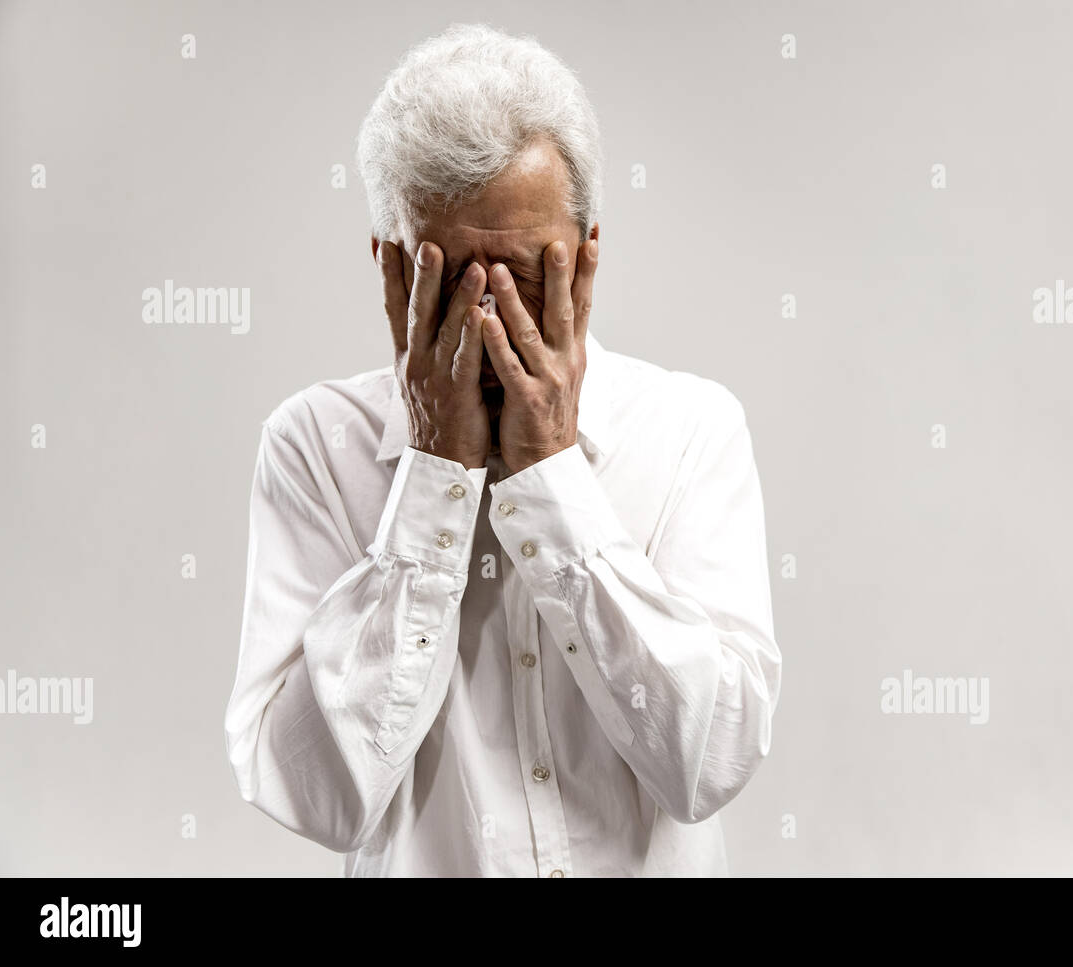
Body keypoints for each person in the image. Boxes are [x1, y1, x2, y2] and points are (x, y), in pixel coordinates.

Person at [224, 22, 782, 876]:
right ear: (390, 272)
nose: (487, 325)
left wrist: (553, 477)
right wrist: (433, 475)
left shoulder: (692, 429)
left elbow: (707, 764)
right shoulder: (311, 445)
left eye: (521, 280)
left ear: (586, 261)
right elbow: (316, 796)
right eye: (453, 283)